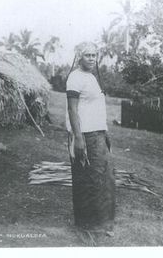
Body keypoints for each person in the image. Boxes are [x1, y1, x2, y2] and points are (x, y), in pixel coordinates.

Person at [66, 41, 115, 237]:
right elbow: (72, 109)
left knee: (104, 178)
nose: (92, 58)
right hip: (86, 135)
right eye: (88, 55)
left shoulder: (91, 77)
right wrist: (78, 138)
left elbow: (96, 108)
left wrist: (106, 132)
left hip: (98, 133)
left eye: (94, 55)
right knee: (88, 178)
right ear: (79, 56)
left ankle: (101, 222)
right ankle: (87, 225)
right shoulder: (75, 78)